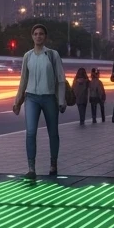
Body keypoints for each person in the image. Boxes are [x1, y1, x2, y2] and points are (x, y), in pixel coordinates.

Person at [12, 24, 68, 178]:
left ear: (45, 37)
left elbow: (61, 79)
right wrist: (17, 101)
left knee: (53, 132)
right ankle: (31, 168)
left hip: (49, 97)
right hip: (31, 98)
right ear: (32, 36)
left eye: (41, 34)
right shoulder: (27, 56)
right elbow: (23, 80)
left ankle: (53, 164)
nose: (38, 36)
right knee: (30, 132)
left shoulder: (52, 55)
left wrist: (61, 100)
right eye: (35, 34)